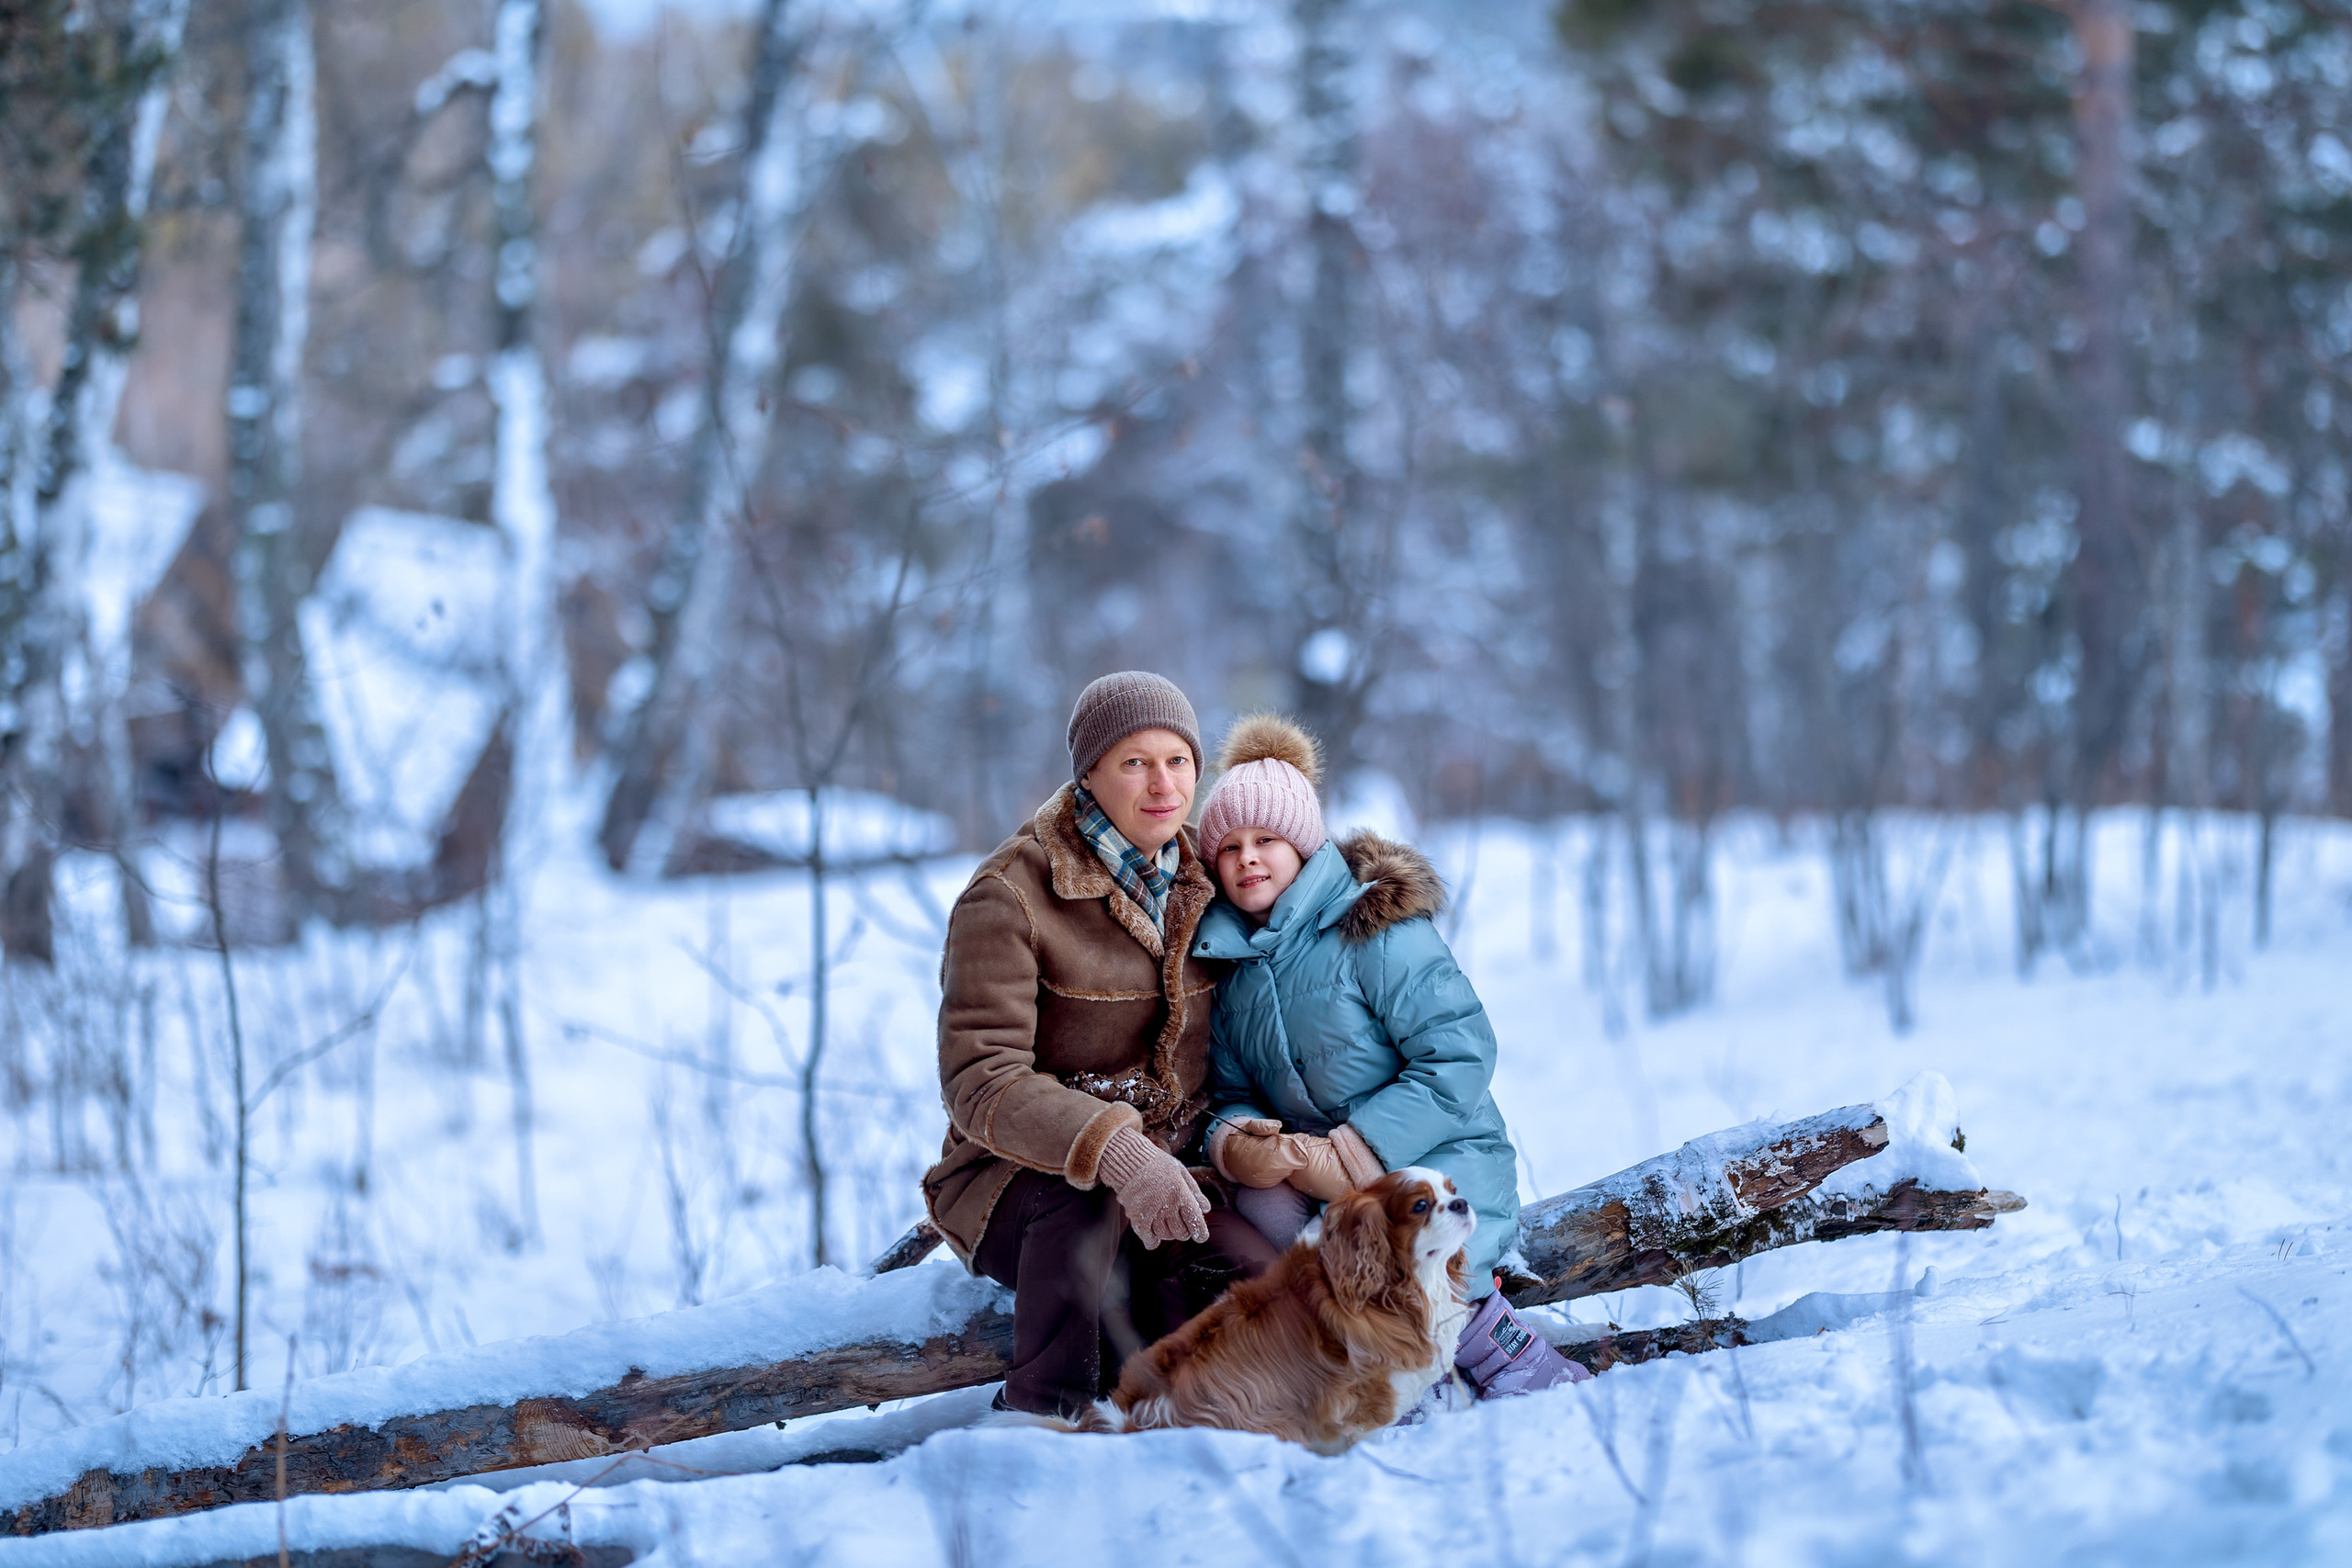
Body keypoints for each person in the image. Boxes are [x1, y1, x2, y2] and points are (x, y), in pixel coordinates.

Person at [1190, 714, 1586, 1400]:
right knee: (1263, 1202)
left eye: (1266, 839)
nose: (1247, 857)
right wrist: (1239, 1139)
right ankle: (1377, 1357)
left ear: (1303, 846)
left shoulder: (1371, 930)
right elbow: (1230, 1089)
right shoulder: (1231, 972)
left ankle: (1498, 1348)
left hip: (1435, 1149)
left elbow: (1459, 1054)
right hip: (1323, 1174)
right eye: (1229, 847)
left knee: (1415, 1240)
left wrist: (1356, 1151)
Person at [922, 671, 1279, 1419]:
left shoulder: (1206, 877)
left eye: (1178, 760)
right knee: (1087, 1199)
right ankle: (1043, 1417)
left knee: (1250, 1283)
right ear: (1088, 773)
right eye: (1134, 762)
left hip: (1173, 1171)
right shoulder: (1010, 894)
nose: (1163, 784)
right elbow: (980, 1078)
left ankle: (1177, 1420)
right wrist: (1114, 1149)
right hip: (1016, 1182)